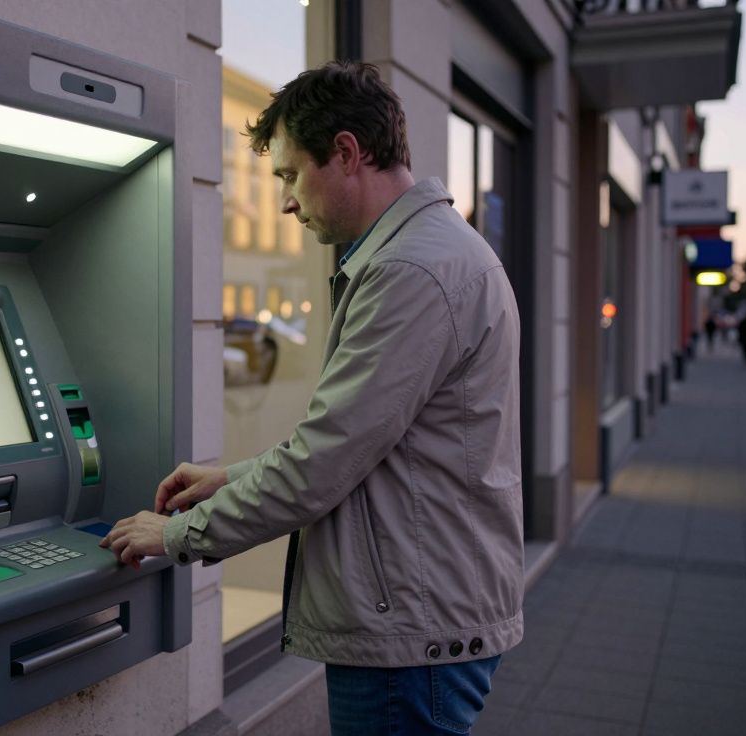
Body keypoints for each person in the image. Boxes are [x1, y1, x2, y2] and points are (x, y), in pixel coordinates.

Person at [100, 61, 524, 735]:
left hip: (410, 633)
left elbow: (326, 459)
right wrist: (228, 479)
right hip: (423, 611)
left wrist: (176, 535)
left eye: (292, 175)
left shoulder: (410, 270)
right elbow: (368, 445)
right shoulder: (433, 252)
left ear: (348, 153)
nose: (287, 202)